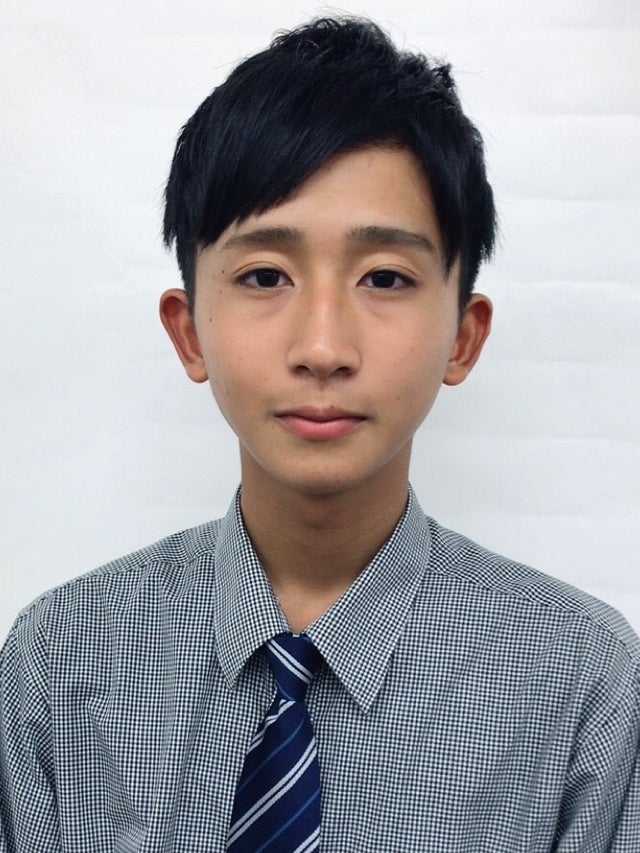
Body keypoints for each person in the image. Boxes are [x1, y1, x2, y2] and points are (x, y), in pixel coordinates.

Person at [1, 16, 638, 852]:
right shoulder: (59, 661)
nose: (324, 347)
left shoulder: (584, 683)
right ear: (189, 332)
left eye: (386, 278)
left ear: (463, 335)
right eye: (266, 275)